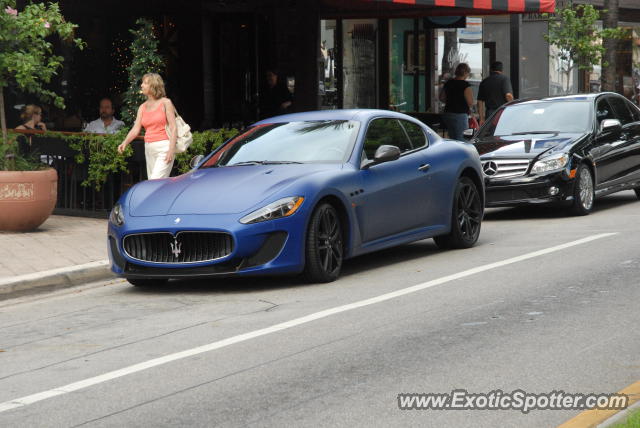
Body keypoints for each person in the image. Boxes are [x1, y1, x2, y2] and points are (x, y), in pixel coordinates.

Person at [117, 73, 177, 180]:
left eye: (145, 83)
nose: (141, 85)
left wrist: (171, 150)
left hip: (164, 147)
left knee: (154, 182)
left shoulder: (165, 103)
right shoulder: (142, 107)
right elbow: (136, 129)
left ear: (153, 86)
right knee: (154, 184)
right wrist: (125, 142)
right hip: (149, 147)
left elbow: (173, 127)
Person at [439, 63, 474, 141]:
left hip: (448, 114)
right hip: (460, 115)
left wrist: (451, 101)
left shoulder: (448, 83)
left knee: (453, 139)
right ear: (465, 73)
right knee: (463, 140)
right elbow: (470, 102)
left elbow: (441, 98)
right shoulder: (465, 85)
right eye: (468, 73)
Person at [477, 61, 514, 125]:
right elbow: (508, 95)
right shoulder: (504, 79)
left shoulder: (484, 82)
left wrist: (481, 118)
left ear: (491, 69)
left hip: (489, 114)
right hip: (502, 112)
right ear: (501, 70)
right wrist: (513, 106)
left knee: (491, 133)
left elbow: (480, 102)